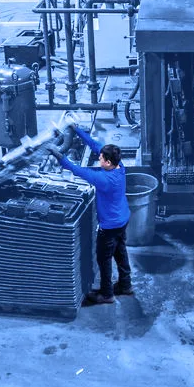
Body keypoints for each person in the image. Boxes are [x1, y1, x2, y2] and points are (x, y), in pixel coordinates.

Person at [50, 125, 132, 304]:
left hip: (109, 225)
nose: (98, 158)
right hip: (123, 218)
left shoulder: (103, 180)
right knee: (120, 252)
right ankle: (125, 285)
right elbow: (96, 146)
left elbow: (78, 171)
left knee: (104, 259)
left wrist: (58, 155)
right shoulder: (119, 166)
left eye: (101, 159)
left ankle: (107, 294)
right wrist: (76, 129)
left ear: (108, 162)